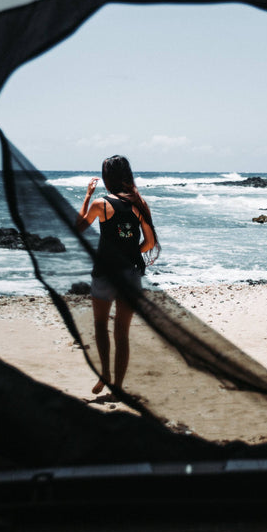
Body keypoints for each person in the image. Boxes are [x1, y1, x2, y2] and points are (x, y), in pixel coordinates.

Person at [76, 155, 159, 395]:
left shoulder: (100, 204)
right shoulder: (140, 203)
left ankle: (105, 374)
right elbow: (150, 241)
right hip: (131, 275)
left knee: (101, 326)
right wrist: (131, 253)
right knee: (122, 333)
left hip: (104, 274)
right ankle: (118, 387)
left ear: (107, 178)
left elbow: (79, 226)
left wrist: (88, 195)